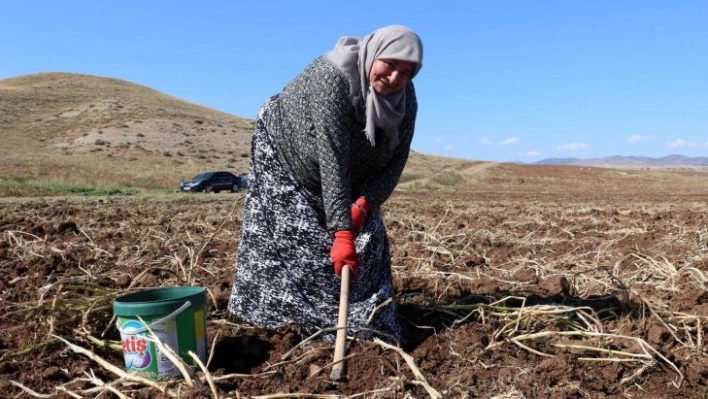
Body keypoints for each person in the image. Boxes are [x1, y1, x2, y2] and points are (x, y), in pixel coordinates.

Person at [228, 25, 423, 343]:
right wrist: (343, 231)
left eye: (406, 72)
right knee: (303, 245)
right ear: (373, 54)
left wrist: (364, 203)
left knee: (368, 244)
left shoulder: (405, 100)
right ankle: (288, 322)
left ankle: (367, 321)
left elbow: (395, 163)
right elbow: (332, 158)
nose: (395, 78)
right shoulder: (332, 76)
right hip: (287, 155)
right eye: (389, 64)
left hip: (356, 176)